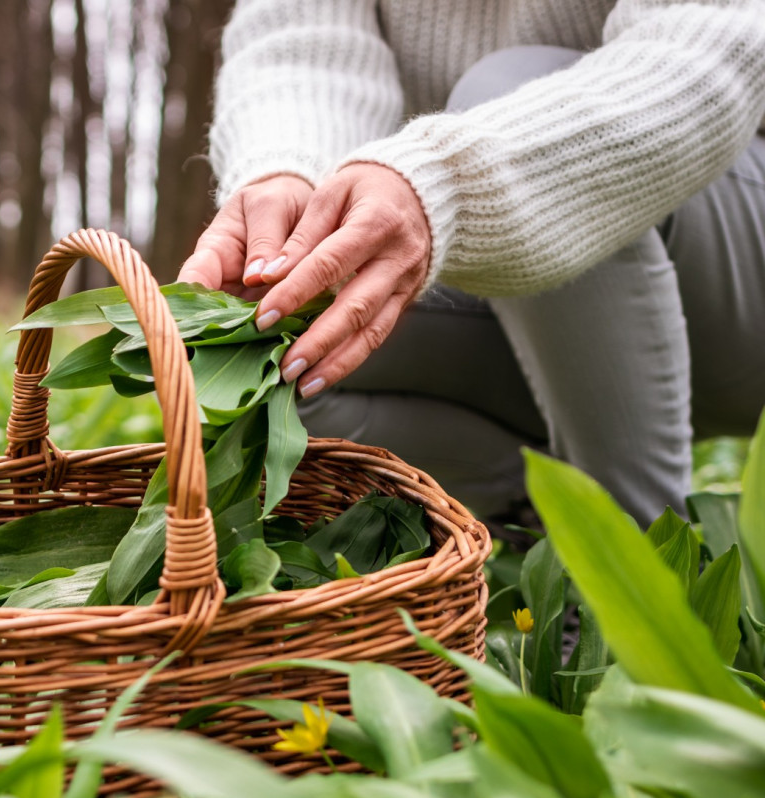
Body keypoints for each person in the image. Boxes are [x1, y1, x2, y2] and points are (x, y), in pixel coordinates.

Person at [177, 0, 765, 527]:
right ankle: (547, 517)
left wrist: (450, 182)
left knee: (507, 85)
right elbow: (300, 45)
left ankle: (643, 565)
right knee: (282, 345)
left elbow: (713, 44)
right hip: (528, 316)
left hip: (729, 279)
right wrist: (291, 178)